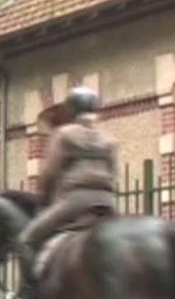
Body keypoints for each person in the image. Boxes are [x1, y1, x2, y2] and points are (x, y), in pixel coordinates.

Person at [14, 86, 120, 285]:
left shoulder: (64, 135)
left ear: (72, 109)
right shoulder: (109, 140)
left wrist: (44, 201)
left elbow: (50, 173)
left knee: (25, 239)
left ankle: (28, 295)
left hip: (75, 202)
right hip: (108, 204)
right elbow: (114, 174)